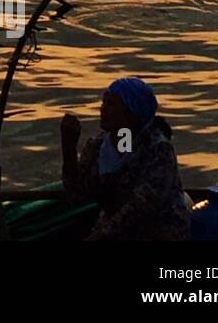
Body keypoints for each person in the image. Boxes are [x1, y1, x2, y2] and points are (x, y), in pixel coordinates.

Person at [61, 77, 190, 241]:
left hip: (158, 231)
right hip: (112, 231)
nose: (102, 109)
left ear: (131, 114)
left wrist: (99, 236)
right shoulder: (105, 145)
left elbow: (142, 207)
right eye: (104, 102)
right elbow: (78, 197)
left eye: (111, 104)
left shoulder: (158, 149)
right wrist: (69, 150)